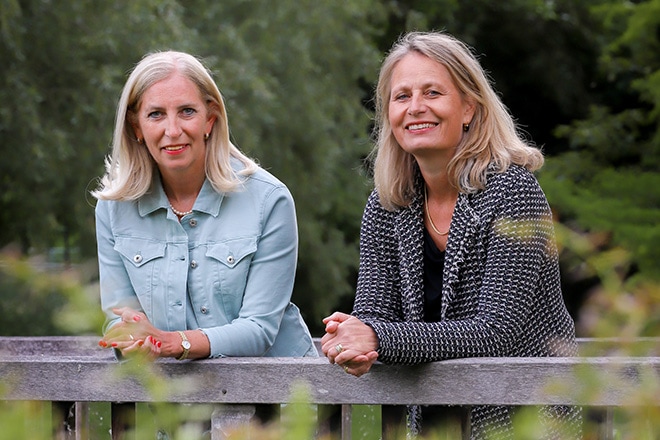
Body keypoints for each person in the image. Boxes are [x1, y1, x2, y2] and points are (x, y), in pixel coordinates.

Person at [321, 31, 581, 439]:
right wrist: (352, 341)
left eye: (432, 93)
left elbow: (496, 331)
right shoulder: (386, 206)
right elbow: (374, 314)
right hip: (436, 421)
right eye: (401, 96)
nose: (416, 108)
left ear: (468, 109)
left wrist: (377, 337)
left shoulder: (513, 191)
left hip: (528, 419)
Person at [93, 50, 316, 361]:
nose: (172, 130)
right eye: (156, 114)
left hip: (284, 398)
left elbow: (259, 329)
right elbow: (120, 316)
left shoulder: (269, 200)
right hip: (182, 400)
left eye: (186, 111)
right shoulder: (113, 209)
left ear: (210, 119)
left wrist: (175, 342)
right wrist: (129, 336)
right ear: (136, 128)